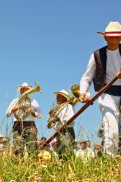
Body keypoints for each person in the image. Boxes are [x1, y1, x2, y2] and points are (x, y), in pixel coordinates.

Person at [80, 21, 121, 157]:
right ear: (105, 37)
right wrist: (83, 92)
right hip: (106, 95)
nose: (114, 39)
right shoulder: (96, 55)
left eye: (117, 36)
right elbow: (87, 77)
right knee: (112, 128)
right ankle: (110, 159)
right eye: (111, 37)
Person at [6, 82, 41, 155]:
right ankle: (18, 165)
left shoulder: (34, 101)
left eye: (26, 90)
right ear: (20, 91)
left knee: (32, 149)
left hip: (30, 126)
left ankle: (33, 165)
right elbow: (7, 114)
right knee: (17, 149)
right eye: (22, 90)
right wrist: (12, 110)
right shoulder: (15, 101)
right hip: (17, 125)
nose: (24, 91)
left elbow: (40, 115)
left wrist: (33, 112)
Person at [47, 90, 75, 159]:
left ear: (64, 97)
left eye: (58, 97)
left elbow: (70, 119)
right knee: (61, 153)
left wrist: (56, 119)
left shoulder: (68, 106)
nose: (56, 98)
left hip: (66, 132)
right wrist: (53, 119)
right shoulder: (59, 107)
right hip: (60, 132)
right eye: (57, 97)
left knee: (67, 152)